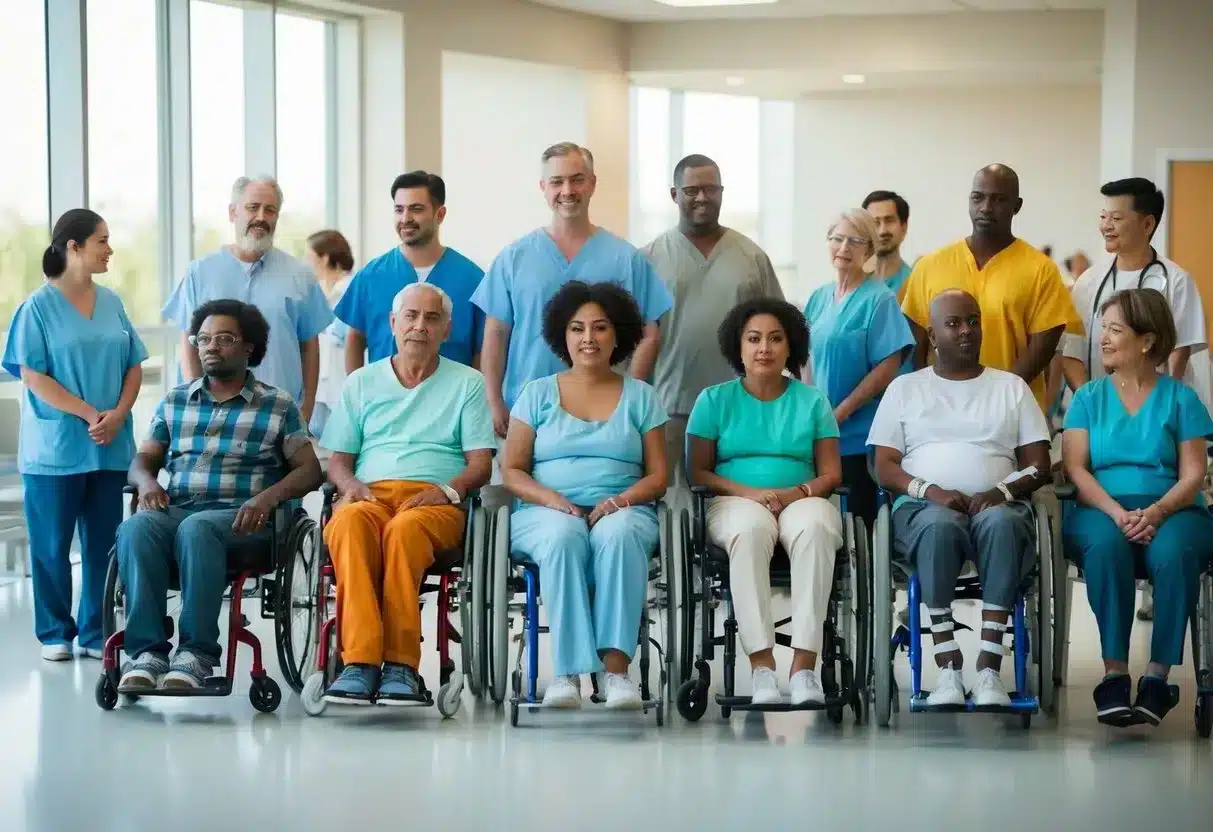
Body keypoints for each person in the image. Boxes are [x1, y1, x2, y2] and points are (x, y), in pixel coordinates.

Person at [115, 300, 322, 692]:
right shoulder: (176, 400)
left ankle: (196, 654)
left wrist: (266, 499)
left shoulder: (277, 404)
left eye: (224, 338)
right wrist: (147, 483)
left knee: (198, 528)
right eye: (204, 338)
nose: (211, 346)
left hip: (248, 521)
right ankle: (147, 653)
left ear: (248, 347)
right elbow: (143, 460)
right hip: (180, 511)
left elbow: (310, 470)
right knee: (137, 528)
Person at [869, 289, 1052, 708]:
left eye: (972, 320)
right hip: (923, 509)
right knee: (938, 525)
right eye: (953, 324)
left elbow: (1039, 465)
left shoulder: (1012, 387)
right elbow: (884, 465)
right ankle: (948, 667)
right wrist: (931, 492)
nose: (966, 330)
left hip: (998, 504)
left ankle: (989, 669)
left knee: (1004, 523)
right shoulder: (905, 388)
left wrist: (1000, 492)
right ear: (932, 336)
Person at [320, 283, 496, 702]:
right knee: (348, 524)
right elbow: (338, 462)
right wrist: (352, 488)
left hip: (434, 501)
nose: (420, 326)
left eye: (431, 318)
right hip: (370, 495)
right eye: (411, 316)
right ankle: (359, 662)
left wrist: (447, 491)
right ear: (393, 323)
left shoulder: (468, 384)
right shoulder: (362, 383)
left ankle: (401, 666)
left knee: (405, 532)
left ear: (446, 329)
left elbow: (480, 464)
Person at [502, 281, 668, 709]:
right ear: (563, 335)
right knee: (561, 536)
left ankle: (616, 674)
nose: (588, 338)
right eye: (577, 328)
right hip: (545, 509)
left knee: (619, 534)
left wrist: (617, 502)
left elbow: (658, 477)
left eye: (599, 328)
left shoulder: (641, 397)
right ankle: (567, 674)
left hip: (624, 506)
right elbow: (513, 470)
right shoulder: (537, 393)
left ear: (619, 335)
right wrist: (557, 502)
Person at [1061, 288, 1213, 727]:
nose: (1103, 339)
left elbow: (1193, 475)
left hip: (1175, 509)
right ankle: (1114, 675)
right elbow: (1076, 469)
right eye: (1102, 329)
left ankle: (1157, 676)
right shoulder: (1088, 397)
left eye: (1114, 330)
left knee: (1175, 551)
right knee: (1106, 548)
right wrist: (1117, 513)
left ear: (1146, 340)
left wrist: (1158, 512)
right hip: (1101, 509)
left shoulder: (1180, 399)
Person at [2, 209, 148, 662]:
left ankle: (95, 633)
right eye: (102, 240)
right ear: (74, 247)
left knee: (105, 545)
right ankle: (54, 633)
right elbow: (33, 375)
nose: (110, 249)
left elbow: (133, 364)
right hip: (55, 449)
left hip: (109, 444)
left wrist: (120, 414)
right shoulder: (36, 308)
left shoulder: (113, 302)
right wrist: (90, 414)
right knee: (51, 545)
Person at [687, 298, 844, 706]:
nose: (764, 348)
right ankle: (762, 668)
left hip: (802, 498)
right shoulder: (713, 401)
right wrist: (752, 495)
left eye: (775, 339)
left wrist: (795, 494)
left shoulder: (813, 402)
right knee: (750, 528)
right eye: (753, 339)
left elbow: (831, 474)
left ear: (790, 347)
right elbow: (698, 473)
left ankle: (805, 668)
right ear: (737, 347)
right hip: (734, 501)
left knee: (817, 527)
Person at [473, 142, 673, 439]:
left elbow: (649, 335)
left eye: (577, 179)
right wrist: (493, 401)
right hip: (526, 414)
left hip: (605, 418)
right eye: (557, 182)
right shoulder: (514, 258)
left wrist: (632, 399)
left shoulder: (624, 258)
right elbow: (496, 333)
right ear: (543, 187)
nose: (567, 190)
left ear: (592, 184)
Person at [642, 153, 784, 509]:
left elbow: (780, 331)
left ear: (722, 192)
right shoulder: (649, 258)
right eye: (691, 190)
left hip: (741, 406)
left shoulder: (751, 257)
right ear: (674, 195)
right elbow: (632, 342)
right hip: (671, 406)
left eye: (710, 189)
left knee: (737, 505)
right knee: (675, 508)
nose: (702, 197)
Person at [900, 164, 1083, 412]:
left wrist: (994, 400)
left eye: (998, 199)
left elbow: (1042, 350)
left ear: (1016, 206)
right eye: (978, 198)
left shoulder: (1041, 269)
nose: (985, 207)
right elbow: (918, 344)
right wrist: (930, 401)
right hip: (940, 410)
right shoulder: (931, 266)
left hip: (1012, 410)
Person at [163, 175, 333, 422]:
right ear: (233, 212)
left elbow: (310, 345)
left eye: (270, 210)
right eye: (253, 207)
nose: (261, 217)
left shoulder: (300, 275)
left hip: (279, 416)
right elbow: (189, 342)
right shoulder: (199, 273)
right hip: (214, 416)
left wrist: (306, 409)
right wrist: (198, 405)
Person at [802, 209, 913, 529]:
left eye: (854, 240)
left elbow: (890, 363)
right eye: (837, 238)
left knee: (856, 520)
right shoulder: (820, 296)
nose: (843, 248)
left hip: (858, 431)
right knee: (818, 518)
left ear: (868, 249)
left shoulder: (879, 299)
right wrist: (812, 407)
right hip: (819, 426)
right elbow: (804, 356)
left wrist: (842, 412)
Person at [1061, 178, 1207, 394]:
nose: (1106, 226)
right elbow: (1071, 352)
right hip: (1101, 415)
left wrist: (1154, 407)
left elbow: (1179, 355)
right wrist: (1090, 404)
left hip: (1156, 413)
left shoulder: (1176, 281)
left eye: (1116, 218)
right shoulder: (1088, 282)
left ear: (1147, 224)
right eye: (1103, 216)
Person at [334, 171, 485, 373]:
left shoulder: (472, 279)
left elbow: (482, 350)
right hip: (384, 400)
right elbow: (355, 338)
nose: (405, 218)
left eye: (416, 209)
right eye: (399, 210)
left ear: (439, 214)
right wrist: (356, 395)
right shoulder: (371, 276)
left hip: (450, 401)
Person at [306, 229, 355, 437]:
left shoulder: (350, 289)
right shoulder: (322, 291)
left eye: (309, 257)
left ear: (324, 258)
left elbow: (345, 336)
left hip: (342, 384)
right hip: (324, 387)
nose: (306, 263)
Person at [861, 190, 913, 298]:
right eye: (875, 222)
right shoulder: (852, 284)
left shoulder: (914, 284)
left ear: (904, 227)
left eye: (889, 220)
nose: (882, 231)